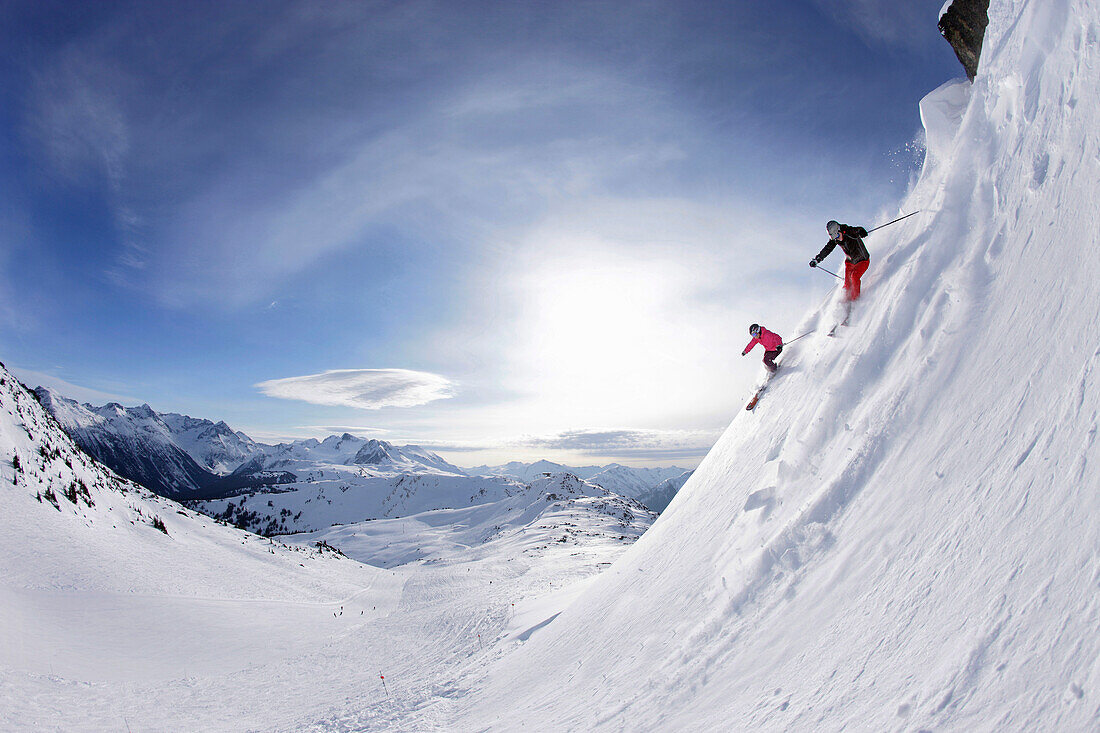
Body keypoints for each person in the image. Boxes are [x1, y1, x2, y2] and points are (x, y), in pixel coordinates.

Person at [810, 220, 870, 301]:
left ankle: (855, 301)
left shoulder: (849, 231)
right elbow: (827, 249)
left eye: (838, 235)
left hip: (863, 260)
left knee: (854, 276)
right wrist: (817, 259)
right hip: (850, 263)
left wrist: (861, 231)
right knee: (847, 283)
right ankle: (846, 302)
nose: (838, 239)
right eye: (835, 238)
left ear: (839, 230)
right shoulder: (836, 239)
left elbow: (858, 229)